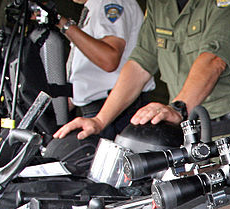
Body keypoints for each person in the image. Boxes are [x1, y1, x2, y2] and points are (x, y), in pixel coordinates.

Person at [54, 0, 230, 141]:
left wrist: (178, 108)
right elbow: (140, 63)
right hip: (191, 133)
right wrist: (100, 121)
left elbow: (213, 60)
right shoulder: (160, 5)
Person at [48, 0, 155, 139]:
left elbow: (109, 59)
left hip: (117, 112)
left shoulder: (110, 2)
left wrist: (63, 24)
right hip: (99, 111)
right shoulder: (94, 6)